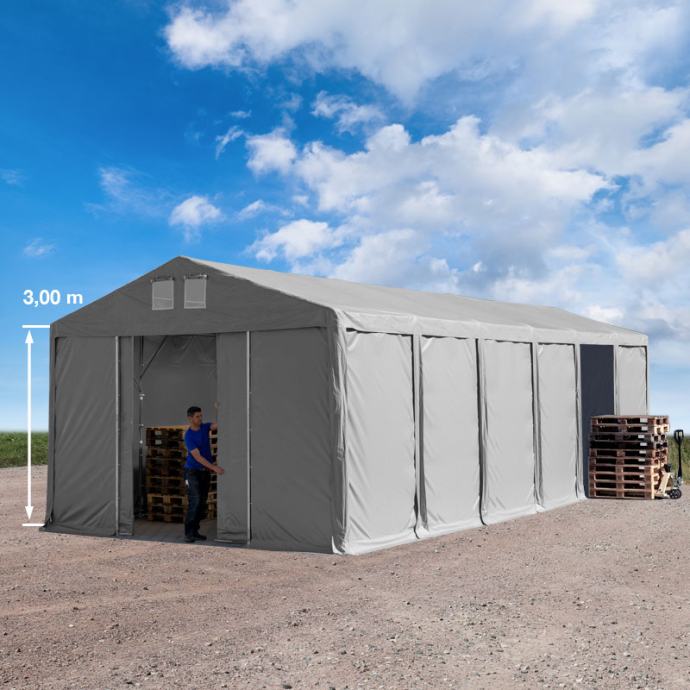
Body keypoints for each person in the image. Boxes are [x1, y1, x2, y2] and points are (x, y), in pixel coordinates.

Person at [183, 405, 224, 543]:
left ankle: (195, 531)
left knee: (201, 502)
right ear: (190, 418)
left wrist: (220, 409)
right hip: (192, 472)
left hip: (204, 472)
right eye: (197, 416)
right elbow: (198, 457)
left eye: (201, 416)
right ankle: (189, 533)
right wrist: (214, 467)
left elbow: (220, 424)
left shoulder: (205, 427)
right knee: (195, 501)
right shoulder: (189, 436)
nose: (200, 418)